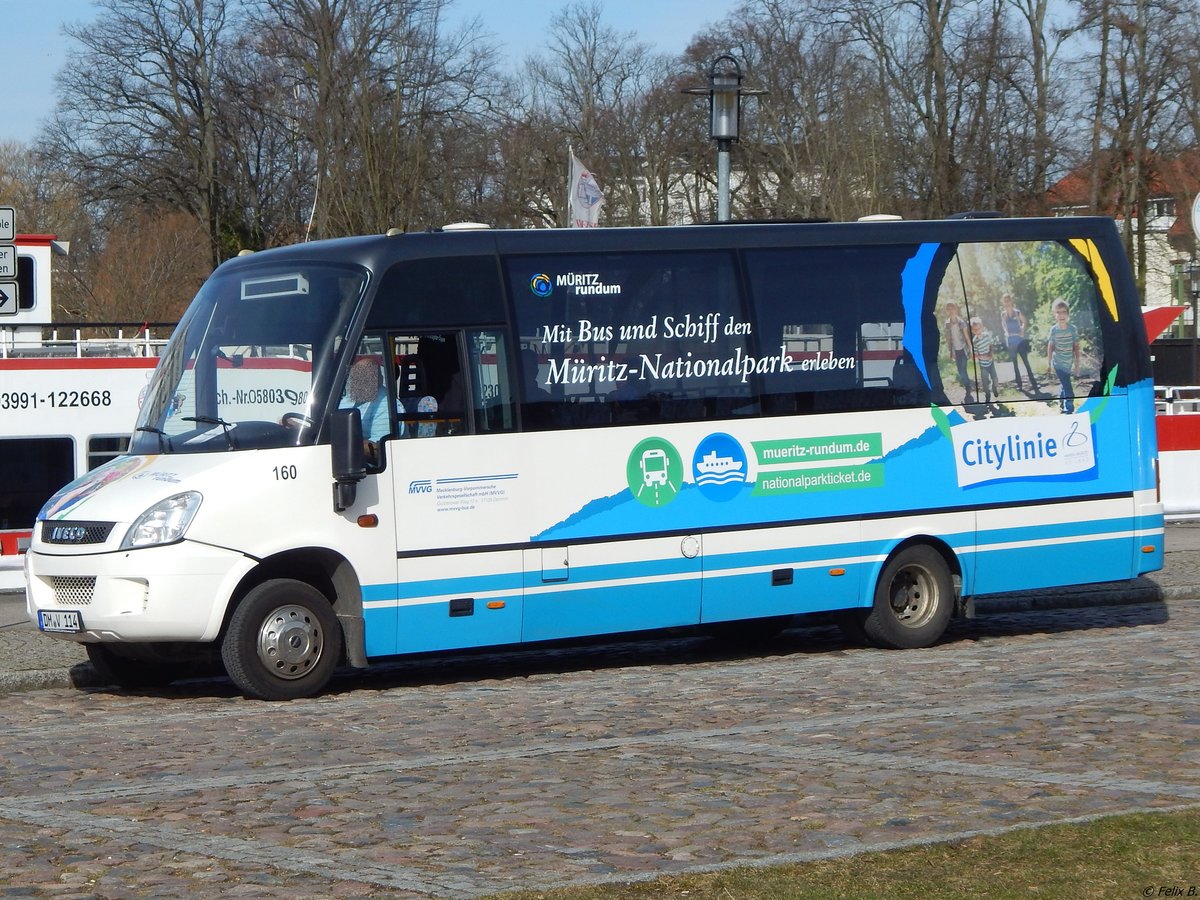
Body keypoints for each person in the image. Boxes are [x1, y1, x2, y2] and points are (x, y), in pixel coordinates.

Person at [340, 356, 396, 447]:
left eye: (364, 376)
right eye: (355, 376)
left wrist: (341, 444)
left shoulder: (386, 404)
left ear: (378, 379)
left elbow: (378, 448)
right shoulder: (349, 399)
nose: (356, 382)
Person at [1046, 299, 1080, 414]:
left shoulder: (1073, 329)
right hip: (1058, 363)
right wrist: (1049, 364)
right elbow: (1050, 347)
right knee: (1068, 387)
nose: (1061, 315)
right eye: (1058, 312)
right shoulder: (1054, 330)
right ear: (1055, 315)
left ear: (1068, 314)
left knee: (1064, 383)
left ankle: (1060, 402)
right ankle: (1069, 410)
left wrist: (1077, 365)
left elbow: (1076, 348)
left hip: (1068, 362)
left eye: (1064, 312)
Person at [1001, 292, 1037, 390]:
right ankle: (1019, 385)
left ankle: (1034, 383)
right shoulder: (1003, 314)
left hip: (1019, 341)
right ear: (1003, 302)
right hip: (1011, 341)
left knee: (1026, 362)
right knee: (1015, 364)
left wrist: (1022, 330)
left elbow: (1024, 322)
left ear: (1011, 301)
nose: (1007, 302)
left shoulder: (1017, 312)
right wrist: (1006, 332)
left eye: (1008, 300)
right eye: (1005, 301)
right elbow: (1004, 325)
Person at [943, 301, 973, 403]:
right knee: (960, 372)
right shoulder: (947, 324)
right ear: (947, 311)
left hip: (963, 349)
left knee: (963, 370)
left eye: (953, 308)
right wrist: (950, 351)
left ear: (956, 309)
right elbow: (948, 339)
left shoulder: (961, 322)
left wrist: (970, 349)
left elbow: (966, 336)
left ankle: (968, 388)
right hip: (955, 350)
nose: (951, 311)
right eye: (949, 309)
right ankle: (967, 385)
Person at [969, 316, 1000, 405]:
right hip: (983, 365)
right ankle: (987, 395)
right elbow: (974, 355)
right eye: (975, 330)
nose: (977, 331)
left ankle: (995, 387)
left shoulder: (987, 336)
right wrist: (982, 356)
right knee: (985, 381)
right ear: (972, 331)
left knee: (995, 378)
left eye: (979, 329)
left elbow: (991, 345)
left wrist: (990, 353)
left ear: (982, 327)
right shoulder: (974, 341)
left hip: (990, 362)